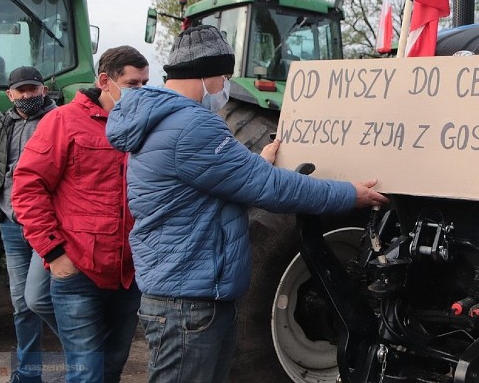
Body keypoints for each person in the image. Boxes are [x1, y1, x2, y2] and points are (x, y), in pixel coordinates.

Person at [105, 25, 388, 383]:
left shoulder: (165, 120)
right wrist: (349, 194)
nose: (225, 86)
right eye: (224, 76)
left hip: (185, 292)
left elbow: (213, 177)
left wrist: (256, 161)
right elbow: (270, 190)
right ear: (205, 74)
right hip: (190, 303)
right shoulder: (192, 125)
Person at [12, 46, 149, 383]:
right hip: (78, 274)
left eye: (146, 84)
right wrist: (55, 254)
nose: (141, 92)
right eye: (133, 84)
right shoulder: (63, 121)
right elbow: (28, 187)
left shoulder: (144, 127)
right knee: (87, 374)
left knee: (111, 369)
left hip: (129, 275)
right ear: (105, 81)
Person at [0, 66, 58, 383]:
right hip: (13, 225)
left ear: (44, 90)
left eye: (33, 89)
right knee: (21, 304)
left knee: (44, 298)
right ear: (10, 94)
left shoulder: (59, 121)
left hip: (48, 226)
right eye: (22, 91)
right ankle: (28, 374)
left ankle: (89, 351)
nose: (28, 96)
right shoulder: (5, 123)